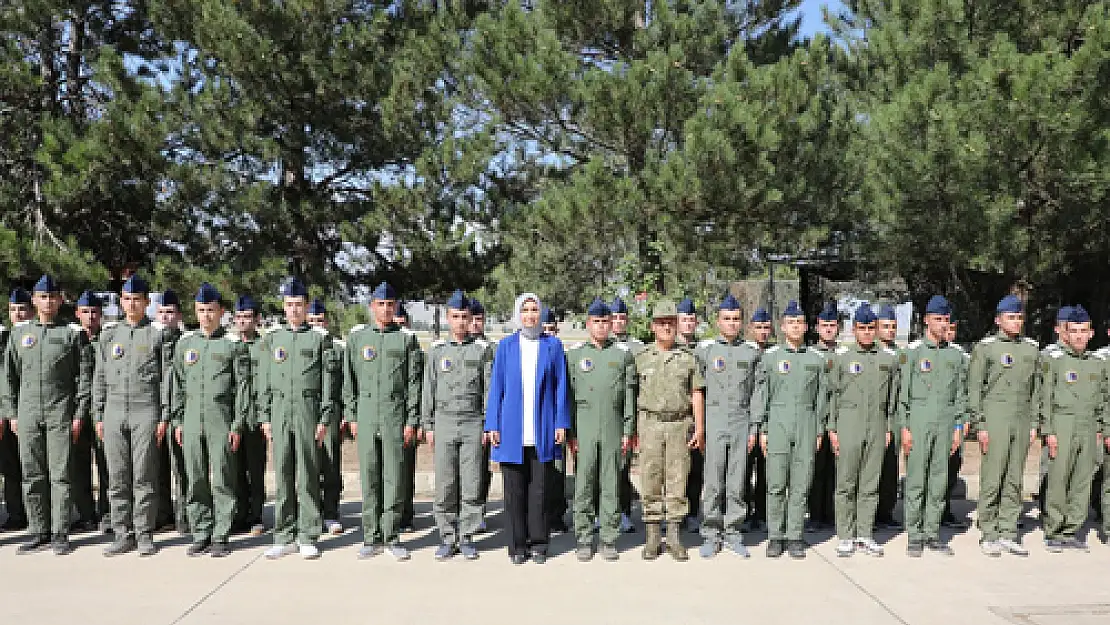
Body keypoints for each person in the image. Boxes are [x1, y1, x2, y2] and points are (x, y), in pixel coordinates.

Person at [4, 275, 92, 555]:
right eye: (43, 297)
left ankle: (60, 532)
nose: (48, 301)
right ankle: (38, 530)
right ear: (34, 300)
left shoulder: (71, 335)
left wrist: (79, 414)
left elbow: (84, 379)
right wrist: (11, 413)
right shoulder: (18, 335)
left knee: (60, 474)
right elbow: (8, 378)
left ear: (60, 300)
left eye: (53, 297)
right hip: (28, 412)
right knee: (31, 474)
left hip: (60, 412)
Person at [484, 293, 571, 565]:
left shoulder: (552, 346)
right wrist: (492, 424)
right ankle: (517, 546)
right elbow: (496, 388)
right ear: (517, 315)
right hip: (511, 431)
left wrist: (561, 422)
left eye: (534, 310)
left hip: (542, 429)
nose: (530, 315)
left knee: (540, 491)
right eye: (525, 310)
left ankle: (539, 544)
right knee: (514, 492)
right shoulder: (506, 346)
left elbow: (560, 388)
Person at [96, 275, 174, 557]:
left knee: (144, 476)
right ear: (121, 301)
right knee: (117, 477)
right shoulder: (109, 334)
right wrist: (99, 413)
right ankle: (122, 533)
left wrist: (164, 415)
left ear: (146, 303)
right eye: (127, 299)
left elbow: (166, 378)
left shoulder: (157, 334)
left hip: (145, 410)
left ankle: (144, 534)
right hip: (114, 410)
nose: (132, 305)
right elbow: (100, 376)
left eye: (137, 300)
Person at [171, 284, 252, 557]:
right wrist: (178, 421)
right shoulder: (186, 344)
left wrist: (237, 423)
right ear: (195, 311)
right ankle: (201, 532)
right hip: (192, 418)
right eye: (202, 310)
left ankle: (221, 535)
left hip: (221, 419)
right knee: (195, 478)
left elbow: (242, 388)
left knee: (222, 479)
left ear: (221, 312)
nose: (206, 316)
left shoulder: (232, 345)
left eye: (211, 311)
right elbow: (178, 386)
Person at [259, 278, 336, 560]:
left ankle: (307, 534)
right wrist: (264, 416)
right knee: (283, 472)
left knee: (307, 474)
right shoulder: (273, 339)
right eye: (289, 305)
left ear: (306, 307)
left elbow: (329, 382)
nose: (294, 310)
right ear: (284, 307)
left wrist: (324, 418)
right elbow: (263, 381)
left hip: (307, 409)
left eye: (299, 305)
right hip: (280, 410)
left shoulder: (318, 338)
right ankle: (284, 534)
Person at [344, 282, 422, 561]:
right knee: (370, 476)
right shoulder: (356, 339)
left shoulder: (406, 339)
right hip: (365, 416)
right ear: (372, 307)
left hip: (394, 416)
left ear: (396, 306)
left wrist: (412, 419)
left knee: (394, 478)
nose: (386, 309)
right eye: (381, 304)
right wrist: (351, 415)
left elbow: (415, 384)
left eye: (391, 304)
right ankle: (370, 536)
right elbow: (348, 381)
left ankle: (391, 535)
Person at [753, 300, 828, 559]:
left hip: (807, 424)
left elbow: (821, 399)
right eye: (791, 323)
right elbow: (763, 396)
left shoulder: (815, 359)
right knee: (775, 483)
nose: (796, 328)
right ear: (783, 328)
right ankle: (775, 535)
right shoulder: (771, 358)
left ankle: (795, 535)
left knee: (800, 483)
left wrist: (819, 430)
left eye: (800, 323)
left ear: (806, 327)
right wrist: (762, 428)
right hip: (777, 424)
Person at [424, 290, 492, 561]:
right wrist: (427, 424)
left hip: (473, 420)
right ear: (448, 319)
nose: (461, 322)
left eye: (465, 317)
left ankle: (466, 536)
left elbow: (489, 389)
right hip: (444, 420)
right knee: (446, 483)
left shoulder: (482, 351)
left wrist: (489, 423)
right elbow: (428, 389)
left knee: (472, 482)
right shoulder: (437, 351)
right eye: (455, 317)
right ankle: (447, 536)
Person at [969, 295, 1040, 557]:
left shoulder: (1031, 349)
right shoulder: (986, 348)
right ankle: (989, 531)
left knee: (1014, 477)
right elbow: (975, 388)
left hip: (1021, 418)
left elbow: (1036, 390)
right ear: (999, 320)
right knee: (993, 475)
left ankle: (1009, 530)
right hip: (995, 415)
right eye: (1011, 317)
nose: (1016, 322)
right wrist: (980, 424)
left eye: (1020, 317)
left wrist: (1034, 422)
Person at [635, 299, 705, 561]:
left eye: (670, 323)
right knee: (650, 480)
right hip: (650, 424)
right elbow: (632, 395)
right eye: (661, 323)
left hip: (679, 425)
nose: (666, 327)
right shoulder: (641, 358)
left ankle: (675, 537)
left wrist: (699, 427)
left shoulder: (688, 358)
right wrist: (632, 431)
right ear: (653, 326)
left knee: (678, 481)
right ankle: (653, 537)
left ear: (677, 325)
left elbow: (696, 393)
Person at [897, 295, 967, 557]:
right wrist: (904, 427)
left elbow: (960, 394)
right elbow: (902, 395)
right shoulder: (913, 353)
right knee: (916, 479)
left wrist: (959, 427)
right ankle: (914, 534)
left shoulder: (955, 355)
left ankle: (932, 532)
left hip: (946, 422)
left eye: (946, 320)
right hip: (919, 419)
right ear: (926, 320)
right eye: (937, 319)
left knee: (939, 480)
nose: (942, 325)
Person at [567, 298, 636, 561]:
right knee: (583, 484)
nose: (601, 327)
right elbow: (568, 398)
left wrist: (628, 430)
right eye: (596, 322)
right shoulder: (574, 355)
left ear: (611, 325)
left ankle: (609, 537)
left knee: (610, 483)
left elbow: (629, 394)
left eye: (605, 322)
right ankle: (584, 538)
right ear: (588, 324)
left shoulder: (622, 354)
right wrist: (571, 432)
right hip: (584, 426)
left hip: (613, 425)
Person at [828, 304, 897, 557]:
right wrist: (832, 429)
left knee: (870, 483)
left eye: (871, 328)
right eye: (862, 328)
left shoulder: (887, 359)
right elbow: (832, 395)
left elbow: (892, 398)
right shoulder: (842, 358)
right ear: (853, 329)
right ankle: (845, 535)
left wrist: (889, 428)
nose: (867, 333)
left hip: (877, 425)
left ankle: (865, 534)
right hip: (849, 424)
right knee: (846, 483)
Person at [696, 294, 760, 559]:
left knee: (736, 482)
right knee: (713, 481)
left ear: (742, 323)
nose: (732, 324)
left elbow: (758, 392)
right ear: (718, 321)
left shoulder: (752, 352)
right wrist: (699, 428)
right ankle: (711, 533)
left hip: (740, 421)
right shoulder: (705, 350)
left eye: (736, 319)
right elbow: (697, 389)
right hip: (714, 420)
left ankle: (733, 532)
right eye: (727, 319)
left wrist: (755, 427)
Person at [1041, 305, 1106, 552]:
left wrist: (1100, 427)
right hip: (1062, 423)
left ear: (1091, 334)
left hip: (1088, 426)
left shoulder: (1096, 364)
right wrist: (1049, 430)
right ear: (1065, 334)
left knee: (1082, 479)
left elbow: (1102, 398)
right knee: (1059, 478)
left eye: (1083, 331)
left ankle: (1071, 529)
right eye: (1074, 331)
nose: (1079, 336)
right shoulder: (1055, 361)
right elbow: (1045, 397)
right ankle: (1054, 530)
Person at [307, 298, 344, 536]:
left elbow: (346, 383)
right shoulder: (303, 342)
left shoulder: (338, 347)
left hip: (331, 414)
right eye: (311, 321)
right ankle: (312, 514)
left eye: (319, 320)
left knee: (330, 464)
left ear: (326, 321)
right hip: (307, 412)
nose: (316, 325)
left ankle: (330, 513)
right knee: (308, 465)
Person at [153, 289, 189, 534]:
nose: (166, 317)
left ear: (179, 315)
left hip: (179, 413)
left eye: (171, 312)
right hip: (153, 412)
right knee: (157, 467)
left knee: (182, 468)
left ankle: (185, 516)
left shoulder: (187, 342)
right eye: (162, 312)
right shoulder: (149, 340)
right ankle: (162, 514)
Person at [231, 295, 267, 536]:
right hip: (233, 418)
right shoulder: (229, 346)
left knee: (255, 469)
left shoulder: (265, 347)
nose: (243, 322)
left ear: (257, 320)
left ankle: (256, 516)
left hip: (255, 417)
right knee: (235, 470)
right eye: (239, 317)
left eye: (247, 317)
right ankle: (239, 514)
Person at [70, 290, 104, 533]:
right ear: (77, 314)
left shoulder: (109, 338)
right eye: (85, 312)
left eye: (94, 312)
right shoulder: (71, 339)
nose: (90, 316)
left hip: (103, 410)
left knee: (107, 465)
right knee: (78, 464)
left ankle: (107, 513)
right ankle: (85, 514)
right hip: (78, 411)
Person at [609, 296, 642, 534]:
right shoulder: (601, 344)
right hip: (606, 415)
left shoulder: (637, 348)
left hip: (628, 416)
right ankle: (604, 512)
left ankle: (624, 513)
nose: (618, 322)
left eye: (623, 318)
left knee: (623, 468)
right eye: (615, 318)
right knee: (604, 468)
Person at [0, 288, 32, 532]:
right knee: (10, 465)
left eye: (22, 309)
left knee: (33, 465)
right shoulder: (3, 338)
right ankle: (15, 513)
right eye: (13, 309)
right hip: (7, 411)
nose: (18, 314)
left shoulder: (35, 335)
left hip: (32, 409)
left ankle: (37, 515)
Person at [808, 301, 839, 531]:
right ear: (817, 327)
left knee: (836, 469)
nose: (828, 329)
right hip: (816, 418)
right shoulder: (810, 354)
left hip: (839, 418)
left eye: (832, 325)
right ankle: (815, 515)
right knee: (816, 468)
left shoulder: (843, 354)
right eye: (824, 325)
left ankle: (830, 513)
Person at [743, 307, 773, 532]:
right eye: (759, 327)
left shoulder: (774, 354)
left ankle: (761, 513)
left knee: (766, 471)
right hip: (745, 422)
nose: (763, 332)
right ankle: (743, 513)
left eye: (766, 328)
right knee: (742, 471)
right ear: (751, 329)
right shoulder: (744, 351)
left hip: (769, 422)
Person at [539, 306, 569, 533]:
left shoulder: (562, 354)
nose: (548, 332)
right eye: (544, 328)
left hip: (556, 419)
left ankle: (557, 516)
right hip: (538, 421)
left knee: (558, 469)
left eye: (551, 329)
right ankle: (540, 515)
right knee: (540, 471)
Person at [874, 303, 904, 530]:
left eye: (893, 326)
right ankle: (870, 513)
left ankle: (886, 512)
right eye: (885, 326)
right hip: (874, 418)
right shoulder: (871, 352)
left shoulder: (901, 354)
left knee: (890, 468)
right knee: (870, 468)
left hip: (896, 418)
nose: (890, 331)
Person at [394, 302, 422, 533]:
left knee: (406, 469)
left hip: (408, 418)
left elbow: (421, 387)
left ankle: (406, 515)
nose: (401, 327)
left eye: (404, 323)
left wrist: (417, 421)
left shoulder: (416, 351)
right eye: (397, 323)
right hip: (388, 415)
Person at [676, 297, 703, 532]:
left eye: (691, 320)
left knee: (695, 469)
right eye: (684, 319)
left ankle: (692, 513)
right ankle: (674, 515)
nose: (688, 324)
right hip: (674, 419)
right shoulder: (669, 348)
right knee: (673, 470)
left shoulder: (703, 351)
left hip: (696, 419)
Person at [468, 298, 495, 532]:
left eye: (480, 319)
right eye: (472, 319)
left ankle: (479, 510)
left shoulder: (492, 349)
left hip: (482, 417)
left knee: (481, 468)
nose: (475, 324)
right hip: (460, 417)